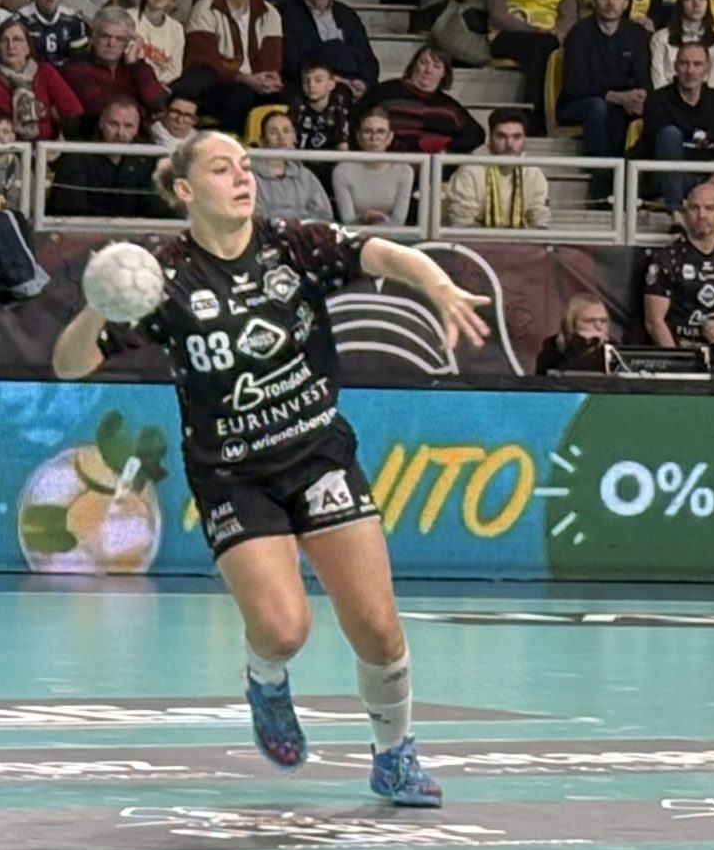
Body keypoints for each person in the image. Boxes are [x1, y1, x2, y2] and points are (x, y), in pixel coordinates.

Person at [52, 130, 489, 805]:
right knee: (286, 628)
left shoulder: (293, 244)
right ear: (185, 190)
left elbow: (382, 253)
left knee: (376, 625)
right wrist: (101, 304)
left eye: (247, 166)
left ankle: (395, 755)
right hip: (232, 473)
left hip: (318, 452)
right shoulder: (164, 276)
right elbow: (67, 363)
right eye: (223, 168)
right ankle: (265, 678)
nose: (242, 177)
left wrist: (437, 285)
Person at [560, 0, 647, 204]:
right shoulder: (579, 34)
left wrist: (639, 97)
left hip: (622, 106)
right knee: (598, 108)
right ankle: (599, 183)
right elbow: (575, 85)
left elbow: (644, 79)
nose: (611, 3)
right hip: (578, 103)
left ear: (627, 2)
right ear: (594, 0)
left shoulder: (637, 35)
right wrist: (617, 96)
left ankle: (637, 189)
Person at [183, 0, 286, 128]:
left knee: (291, 96)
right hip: (218, 86)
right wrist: (244, 79)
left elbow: (271, 61)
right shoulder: (205, 8)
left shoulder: (269, 12)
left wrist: (268, 79)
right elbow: (203, 62)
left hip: (256, 84)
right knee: (241, 94)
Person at [642, 178, 714, 355]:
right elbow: (654, 322)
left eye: (710, 208)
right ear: (685, 212)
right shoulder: (667, 258)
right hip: (683, 353)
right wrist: (678, 363)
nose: (702, 215)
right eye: (695, 208)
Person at [639, 39, 714, 208]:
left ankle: (695, 199)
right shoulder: (657, 100)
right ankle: (675, 212)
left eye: (697, 64)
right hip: (668, 177)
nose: (690, 71)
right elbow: (661, 152)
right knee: (670, 135)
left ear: (707, 69)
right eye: (684, 63)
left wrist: (707, 188)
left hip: (709, 179)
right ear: (676, 67)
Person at [55, 96, 174, 216]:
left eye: (128, 126)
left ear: (137, 128)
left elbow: (157, 206)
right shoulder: (76, 155)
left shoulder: (150, 156)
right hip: (87, 231)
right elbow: (70, 207)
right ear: (101, 123)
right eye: (114, 124)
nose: (120, 133)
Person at [444, 110, 551, 228]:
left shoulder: (533, 172)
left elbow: (539, 218)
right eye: (501, 137)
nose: (509, 144)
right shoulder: (470, 170)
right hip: (477, 241)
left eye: (516, 137)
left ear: (525, 140)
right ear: (490, 138)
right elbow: (462, 221)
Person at [332, 106, 415, 227]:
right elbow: (347, 221)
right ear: (359, 137)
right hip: (354, 237)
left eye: (380, 131)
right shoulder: (342, 170)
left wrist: (380, 218)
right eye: (367, 131)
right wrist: (364, 219)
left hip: (392, 239)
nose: (374, 138)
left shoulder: (404, 170)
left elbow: (398, 222)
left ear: (390, 138)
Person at [536, 293, 613, 373]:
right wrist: (580, 342)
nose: (599, 327)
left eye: (603, 321)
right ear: (572, 323)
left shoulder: (614, 351)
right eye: (590, 321)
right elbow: (560, 376)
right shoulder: (552, 348)